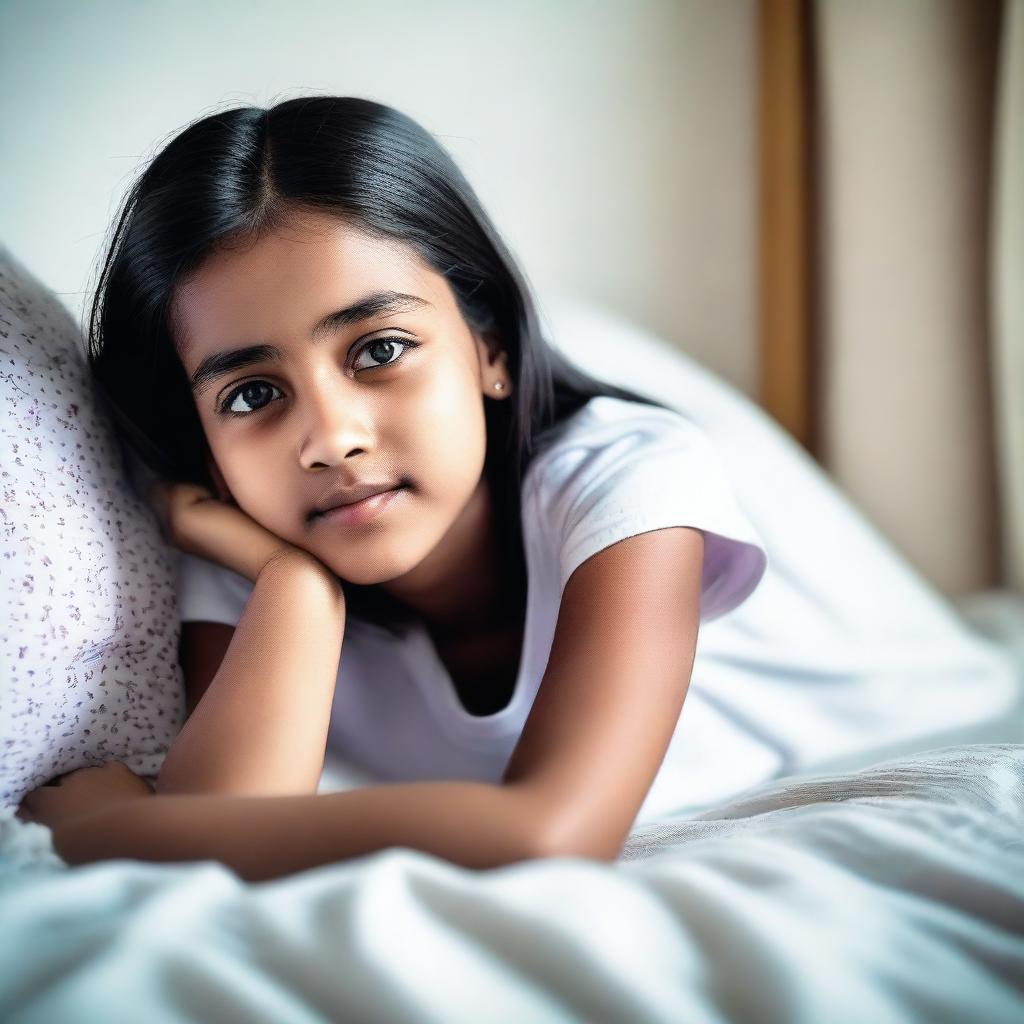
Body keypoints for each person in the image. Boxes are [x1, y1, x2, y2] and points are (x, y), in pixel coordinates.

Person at [18, 96, 767, 882]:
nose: (331, 439)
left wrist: (108, 831)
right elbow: (220, 829)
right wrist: (296, 589)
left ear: (492, 349)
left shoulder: (628, 477)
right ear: (206, 449)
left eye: (379, 349)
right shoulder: (255, 548)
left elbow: (551, 834)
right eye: (249, 395)